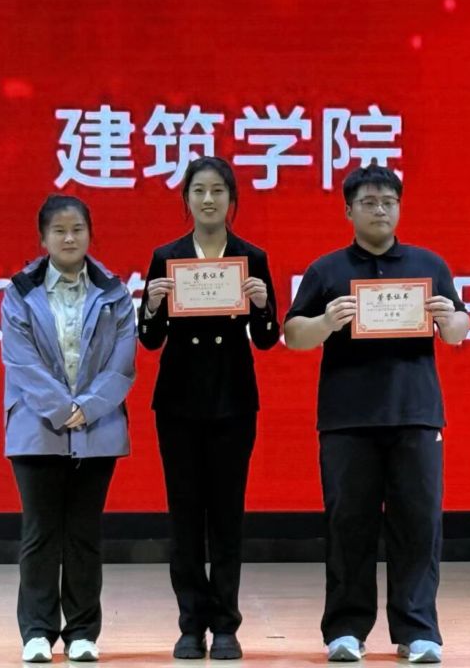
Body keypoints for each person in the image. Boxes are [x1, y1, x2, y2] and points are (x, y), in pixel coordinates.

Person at [283, 166, 468, 665]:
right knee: (349, 525)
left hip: (415, 415)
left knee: (419, 524)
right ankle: (346, 630)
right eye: (368, 202)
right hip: (347, 420)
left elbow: (458, 328)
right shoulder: (326, 270)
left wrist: (450, 318)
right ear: (348, 210)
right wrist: (326, 321)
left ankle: (418, 630)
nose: (379, 209)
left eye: (388, 201)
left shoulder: (428, 265)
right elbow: (293, 334)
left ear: (399, 208)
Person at [138, 156, 281, 662]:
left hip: (233, 401)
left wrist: (263, 305)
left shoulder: (251, 257)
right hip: (178, 402)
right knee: (184, 516)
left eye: (218, 190)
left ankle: (225, 625)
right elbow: (149, 340)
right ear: (186, 199)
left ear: (232, 200)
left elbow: (268, 338)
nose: (208, 199)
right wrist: (151, 306)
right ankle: (189, 624)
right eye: (199, 190)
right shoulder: (167, 257)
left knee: (226, 516)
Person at [1, 194, 137, 666]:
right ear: (43, 238)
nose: (69, 238)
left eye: (77, 229)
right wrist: (63, 409)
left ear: (90, 235)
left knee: (84, 533)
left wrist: (89, 407)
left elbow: (123, 361)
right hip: (36, 427)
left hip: (98, 430)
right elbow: (20, 361)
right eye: (59, 230)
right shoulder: (19, 292)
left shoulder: (114, 293)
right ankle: (37, 632)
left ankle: (81, 632)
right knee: (40, 532)